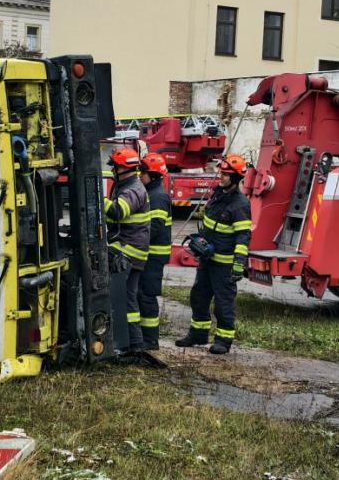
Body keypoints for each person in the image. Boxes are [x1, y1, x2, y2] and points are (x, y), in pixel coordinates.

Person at [175, 154, 251, 355]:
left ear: (235, 178)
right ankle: (198, 334)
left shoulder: (240, 205)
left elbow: (243, 237)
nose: (222, 177)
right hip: (207, 260)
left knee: (223, 303)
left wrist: (238, 264)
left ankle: (223, 341)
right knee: (198, 296)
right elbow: (208, 223)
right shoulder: (217, 195)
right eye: (222, 173)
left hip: (224, 266)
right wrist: (200, 240)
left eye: (226, 174)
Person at [104, 147, 151, 352]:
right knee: (127, 297)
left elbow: (118, 211)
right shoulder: (127, 185)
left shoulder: (133, 189)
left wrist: (96, 199)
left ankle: (130, 342)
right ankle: (133, 342)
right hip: (128, 247)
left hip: (128, 249)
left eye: (115, 167)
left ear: (124, 168)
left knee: (123, 296)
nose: (113, 170)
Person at [138, 153, 173, 349]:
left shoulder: (158, 197)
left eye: (143, 172)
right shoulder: (150, 193)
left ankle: (150, 341)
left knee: (147, 295)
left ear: (153, 175)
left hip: (153, 256)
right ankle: (144, 338)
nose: (140, 175)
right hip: (148, 254)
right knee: (141, 294)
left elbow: (154, 227)